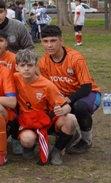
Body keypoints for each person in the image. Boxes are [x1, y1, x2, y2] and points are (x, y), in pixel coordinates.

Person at [38, 25, 101, 154]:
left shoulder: (76, 58)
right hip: (63, 96)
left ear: (61, 41)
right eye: (45, 41)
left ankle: (86, 141)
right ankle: (70, 134)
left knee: (80, 107)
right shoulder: (43, 61)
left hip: (89, 94)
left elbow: (86, 87)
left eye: (53, 41)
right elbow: (48, 87)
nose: (49, 45)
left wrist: (68, 100)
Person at [14, 49, 79, 166]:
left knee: (71, 119)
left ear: (36, 66)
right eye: (22, 65)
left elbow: (67, 106)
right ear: (17, 67)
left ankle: (57, 150)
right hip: (27, 120)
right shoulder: (13, 78)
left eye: (30, 65)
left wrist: (62, 110)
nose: (26, 68)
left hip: (46, 119)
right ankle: (29, 146)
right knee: (27, 139)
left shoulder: (47, 85)